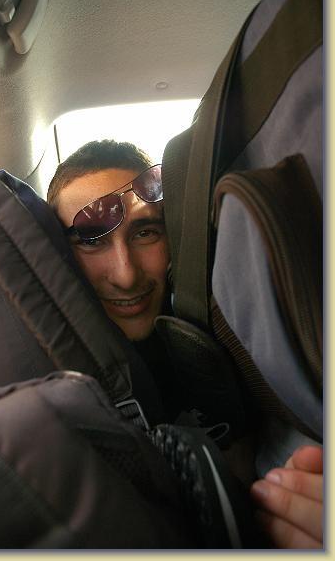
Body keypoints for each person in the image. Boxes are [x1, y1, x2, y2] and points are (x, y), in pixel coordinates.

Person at [47, 139, 323, 549]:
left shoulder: (232, 322)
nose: (126, 275)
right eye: (91, 240)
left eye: (146, 232)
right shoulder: (54, 382)